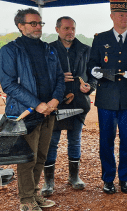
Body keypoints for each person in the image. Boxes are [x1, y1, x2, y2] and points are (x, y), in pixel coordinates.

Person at [0, 8, 65, 211]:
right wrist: (37, 104)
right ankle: (26, 200)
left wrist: (54, 100)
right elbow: (8, 85)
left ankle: (34, 194)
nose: (38, 27)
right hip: (26, 114)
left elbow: (60, 78)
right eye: (33, 23)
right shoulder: (10, 50)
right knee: (28, 158)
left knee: (42, 156)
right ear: (20, 25)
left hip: (49, 112)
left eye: (40, 24)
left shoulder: (49, 49)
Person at [88, 0, 127, 194]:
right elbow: (92, 64)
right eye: (121, 15)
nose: (125, 18)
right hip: (106, 99)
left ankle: (124, 178)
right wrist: (94, 71)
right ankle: (107, 179)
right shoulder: (100, 38)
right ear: (112, 16)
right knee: (106, 141)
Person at [41, 16, 97, 197]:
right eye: (66, 28)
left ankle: (74, 177)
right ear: (57, 29)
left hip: (79, 104)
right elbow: (40, 77)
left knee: (75, 141)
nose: (70, 32)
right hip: (55, 105)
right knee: (51, 143)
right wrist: (56, 78)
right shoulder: (47, 49)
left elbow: (93, 75)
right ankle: (49, 182)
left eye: (72, 28)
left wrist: (89, 87)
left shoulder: (86, 50)